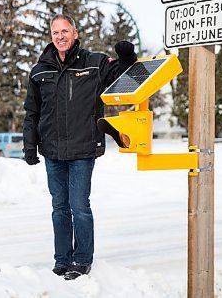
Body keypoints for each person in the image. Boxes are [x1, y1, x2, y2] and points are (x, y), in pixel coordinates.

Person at [23, 14, 137, 280]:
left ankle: (82, 260)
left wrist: (127, 56)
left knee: (79, 206)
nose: (60, 36)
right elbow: (32, 112)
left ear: (75, 33)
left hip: (83, 148)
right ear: (51, 36)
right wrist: (30, 145)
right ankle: (62, 260)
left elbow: (123, 72)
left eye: (65, 31)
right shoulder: (40, 70)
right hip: (52, 150)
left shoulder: (94, 63)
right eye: (55, 32)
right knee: (59, 207)